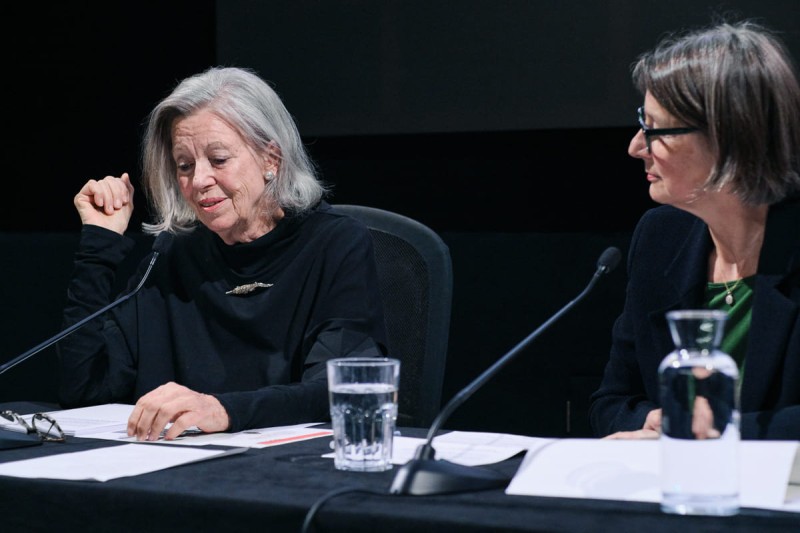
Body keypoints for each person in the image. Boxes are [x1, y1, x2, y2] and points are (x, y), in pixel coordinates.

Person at [57, 66, 388, 441]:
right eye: (184, 166)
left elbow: (337, 391)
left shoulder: (334, 244)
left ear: (271, 160)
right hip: (173, 467)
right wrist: (99, 246)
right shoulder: (172, 254)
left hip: (292, 470)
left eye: (218, 159)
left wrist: (223, 410)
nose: (198, 181)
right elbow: (83, 387)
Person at [589, 21, 800, 440]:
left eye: (654, 129)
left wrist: (710, 434)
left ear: (728, 138)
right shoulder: (661, 238)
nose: (635, 146)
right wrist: (647, 422)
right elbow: (612, 401)